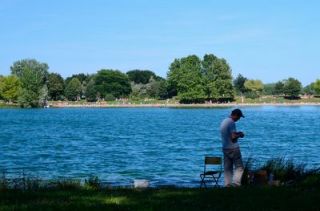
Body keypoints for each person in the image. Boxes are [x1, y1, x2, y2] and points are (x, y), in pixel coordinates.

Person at [220, 108, 245, 187]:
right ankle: (236, 184)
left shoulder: (224, 121)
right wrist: (240, 135)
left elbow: (229, 134)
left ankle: (228, 185)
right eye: (239, 117)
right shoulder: (231, 123)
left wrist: (237, 133)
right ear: (236, 115)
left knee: (228, 168)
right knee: (239, 167)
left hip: (225, 147)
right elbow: (233, 137)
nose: (239, 119)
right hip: (233, 148)